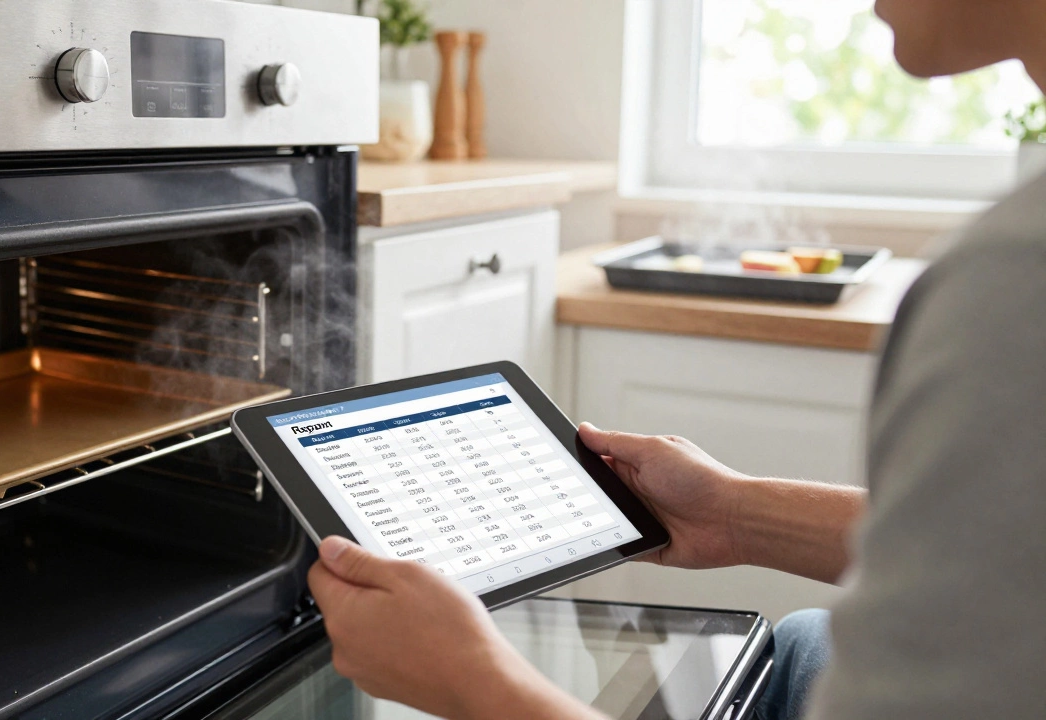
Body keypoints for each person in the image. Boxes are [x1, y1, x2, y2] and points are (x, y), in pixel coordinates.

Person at [305, 1, 1046, 718]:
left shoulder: (1015, 277)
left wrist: (474, 684)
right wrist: (734, 511)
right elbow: (1015, 565)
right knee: (800, 646)